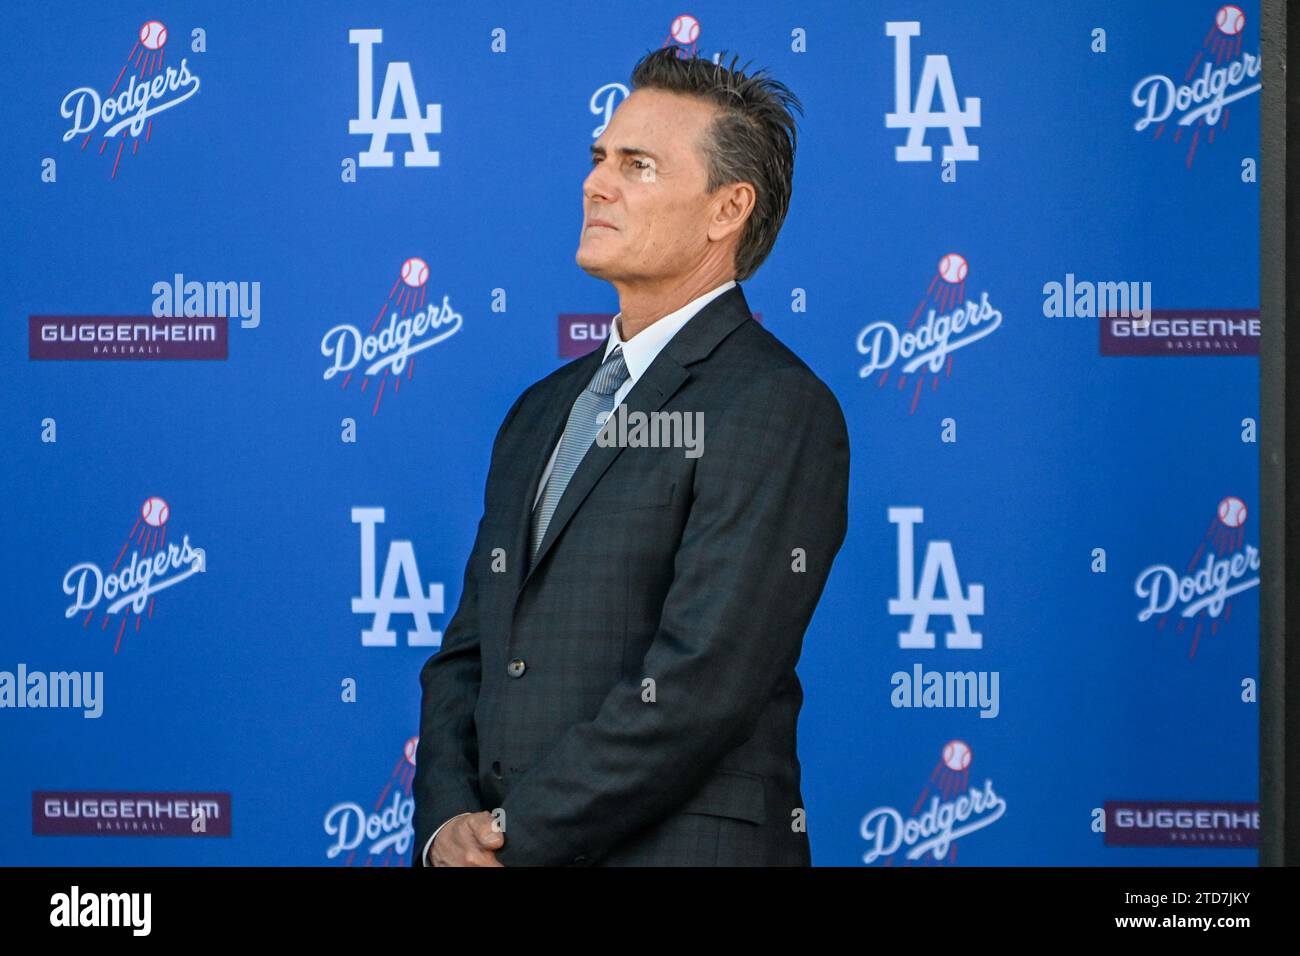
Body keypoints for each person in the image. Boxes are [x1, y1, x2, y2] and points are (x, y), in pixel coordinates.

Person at [412, 45, 849, 866]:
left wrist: (509, 834)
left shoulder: (776, 405)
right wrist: (445, 831)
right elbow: (467, 655)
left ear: (728, 211)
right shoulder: (540, 410)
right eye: (599, 158)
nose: (596, 183)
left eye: (638, 165)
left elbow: (699, 685)